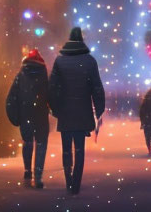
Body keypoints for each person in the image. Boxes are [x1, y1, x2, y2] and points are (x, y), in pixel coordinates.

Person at [48, 27, 105, 196]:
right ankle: (76, 184)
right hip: (82, 111)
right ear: (81, 40)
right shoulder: (90, 61)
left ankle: (68, 179)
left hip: (65, 111)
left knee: (66, 149)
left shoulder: (59, 61)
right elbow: (97, 87)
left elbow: (52, 88)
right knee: (79, 149)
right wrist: (99, 109)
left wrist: (55, 108)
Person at [6, 48, 50, 188]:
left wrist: (15, 116)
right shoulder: (44, 75)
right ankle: (38, 177)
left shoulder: (21, 75)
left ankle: (27, 170)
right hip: (41, 114)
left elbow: (12, 97)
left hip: (26, 114)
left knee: (28, 142)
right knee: (41, 144)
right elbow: (51, 94)